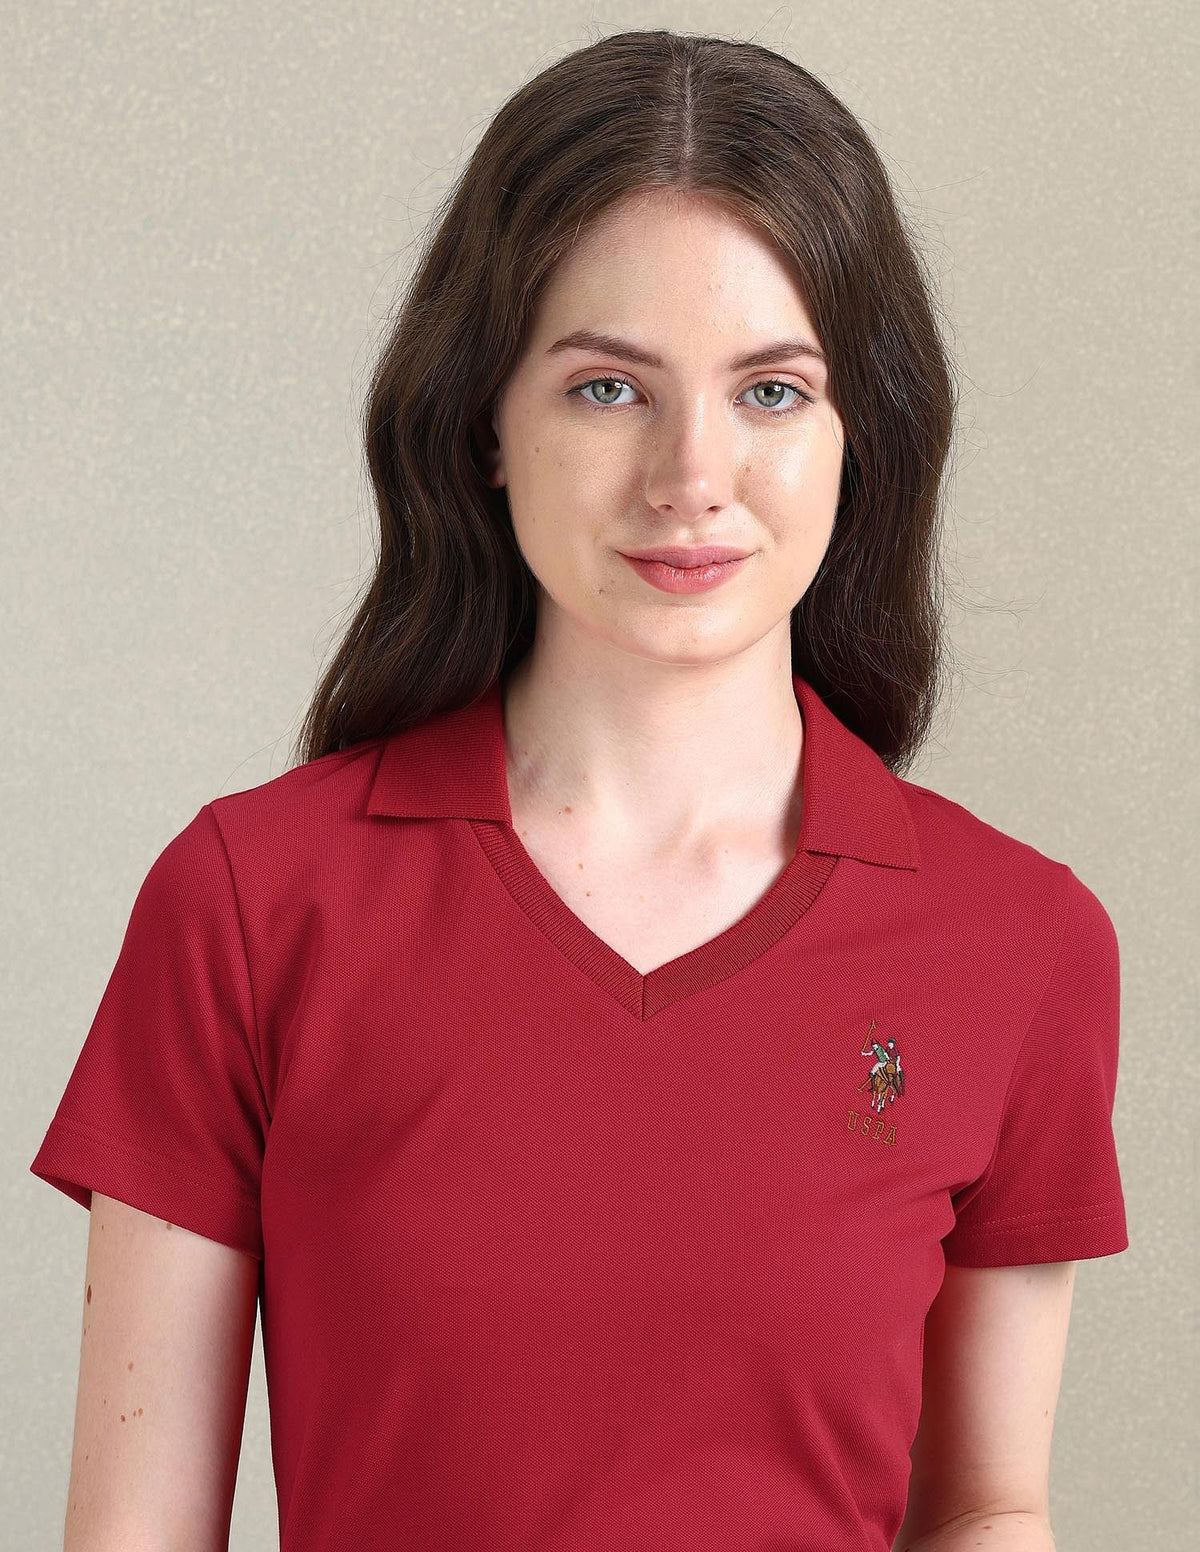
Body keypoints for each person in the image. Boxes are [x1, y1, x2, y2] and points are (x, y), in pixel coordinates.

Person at [29, 27, 1128, 1552]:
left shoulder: (1020, 940)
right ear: (485, 423)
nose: (692, 477)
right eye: (609, 389)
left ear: (860, 434)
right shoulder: (251, 905)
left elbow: (989, 1509)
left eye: (772, 392)